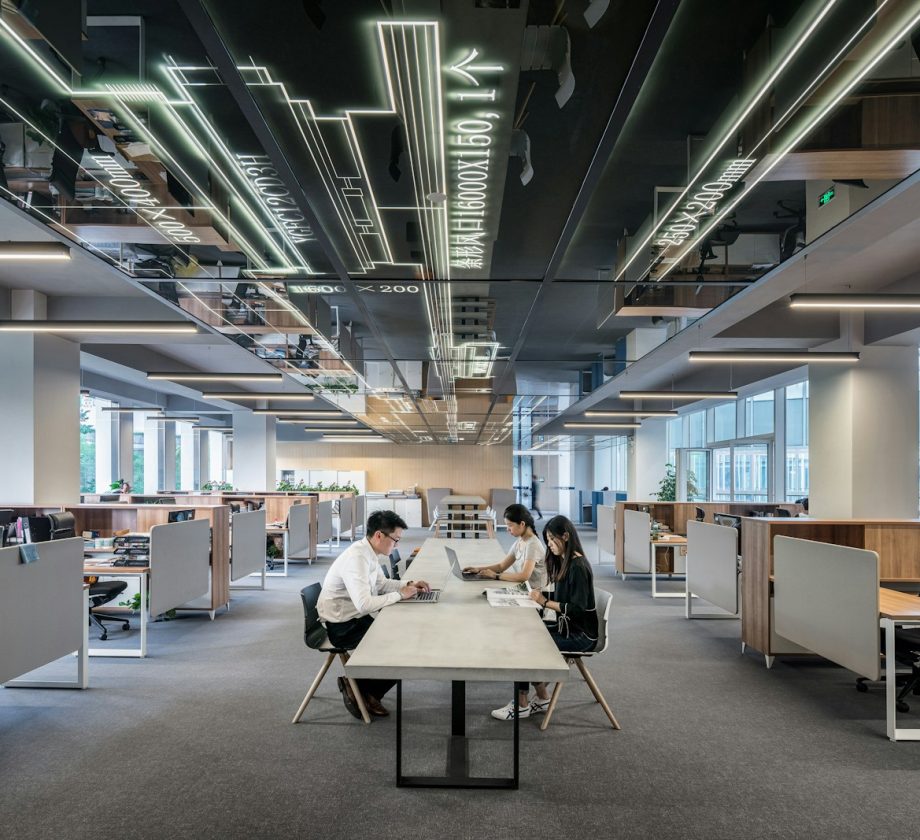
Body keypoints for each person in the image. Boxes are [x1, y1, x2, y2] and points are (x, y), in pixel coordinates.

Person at [317, 510, 430, 719]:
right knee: (403, 649)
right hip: (343, 626)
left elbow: (381, 583)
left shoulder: (368, 552)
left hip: (354, 618)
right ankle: (360, 688)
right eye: (395, 540)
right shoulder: (356, 558)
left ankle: (361, 688)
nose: (396, 545)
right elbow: (364, 604)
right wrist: (399, 595)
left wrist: (408, 584)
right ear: (379, 535)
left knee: (407, 640)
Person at [491, 515, 598, 721]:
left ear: (565, 536)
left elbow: (577, 609)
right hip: (568, 627)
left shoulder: (578, 567)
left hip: (581, 635)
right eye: (547, 541)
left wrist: (544, 602)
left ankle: (522, 703)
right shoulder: (568, 562)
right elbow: (565, 598)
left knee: (524, 644)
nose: (549, 545)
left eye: (551, 540)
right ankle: (541, 697)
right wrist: (541, 596)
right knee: (523, 634)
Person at [462, 503, 546, 588]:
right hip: (526, 589)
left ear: (522, 524)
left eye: (510, 525)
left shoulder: (533, 545)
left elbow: (524, 576)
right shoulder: (520, 541)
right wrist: (478, 569)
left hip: (537, 594)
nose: (507, 529)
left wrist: (495, 575)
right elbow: (501, 566)